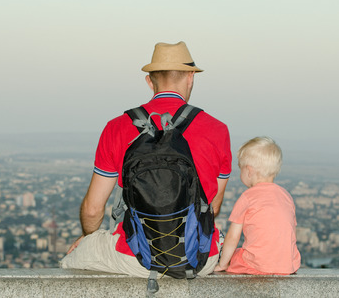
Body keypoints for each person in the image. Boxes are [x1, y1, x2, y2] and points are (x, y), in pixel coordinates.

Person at [60, 41, 232, 277]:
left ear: (149, 81)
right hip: (200, 259)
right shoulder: (217, 130)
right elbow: (213, 206)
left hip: (133, 257)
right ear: (191, 77)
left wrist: (89, 239)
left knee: (71, 260)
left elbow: (92, 209)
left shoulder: (117, 127)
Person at [214, 136, 301, 275]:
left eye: (240, 168)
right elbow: (292, 233)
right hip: (288, 265)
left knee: (231, 253)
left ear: (249, 170)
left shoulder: (248, 197)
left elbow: (233, 237)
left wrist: (222, 264)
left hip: (258, 265)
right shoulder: (286, 196)